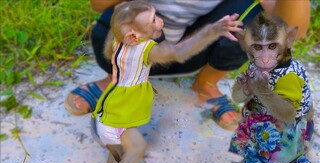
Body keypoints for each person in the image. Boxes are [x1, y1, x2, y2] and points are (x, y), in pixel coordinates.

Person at [64, 0, 311, 131]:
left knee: (256, 20)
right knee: (122, 13)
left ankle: (206, 84)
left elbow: (289, 29)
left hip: (191, 48)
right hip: (136, 42)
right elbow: (99, 3)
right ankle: (115, 77)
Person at [89, 1, 243, 163]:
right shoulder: (145, 50)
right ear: (133, 36)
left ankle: (113, 158)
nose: (160, 22)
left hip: (113, 100)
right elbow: (179, 52)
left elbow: (120, 18)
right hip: (121, 110)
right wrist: (213, 30)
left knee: (120, 143)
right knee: (138, 148)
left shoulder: (114, 45)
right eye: (153, 20)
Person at [222, 12, 319, 163]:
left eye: (272, 46)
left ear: (288, 40)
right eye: (258, 47)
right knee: (256, 136)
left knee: (272, 151)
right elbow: (238, 98)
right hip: (264, 116)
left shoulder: (289, 75)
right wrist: (246, 89)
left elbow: (288, 115)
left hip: (288, 127)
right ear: (244, 43)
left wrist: (262, 90)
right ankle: (289, 161)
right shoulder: (256, 63)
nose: (265, 59)